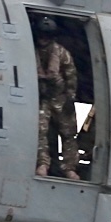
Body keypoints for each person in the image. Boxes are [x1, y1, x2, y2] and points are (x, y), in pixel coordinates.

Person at [35, 17, 80, 179]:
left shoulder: (62, 54)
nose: (43, 39)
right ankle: (42, 164)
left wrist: (70, 97)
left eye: (46, 36)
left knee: (68, 133)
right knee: (40, 131)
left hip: (60, 97)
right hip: (43, 98)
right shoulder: (32, 52)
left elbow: (71, 76)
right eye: (41, 35)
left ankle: (69, 167)